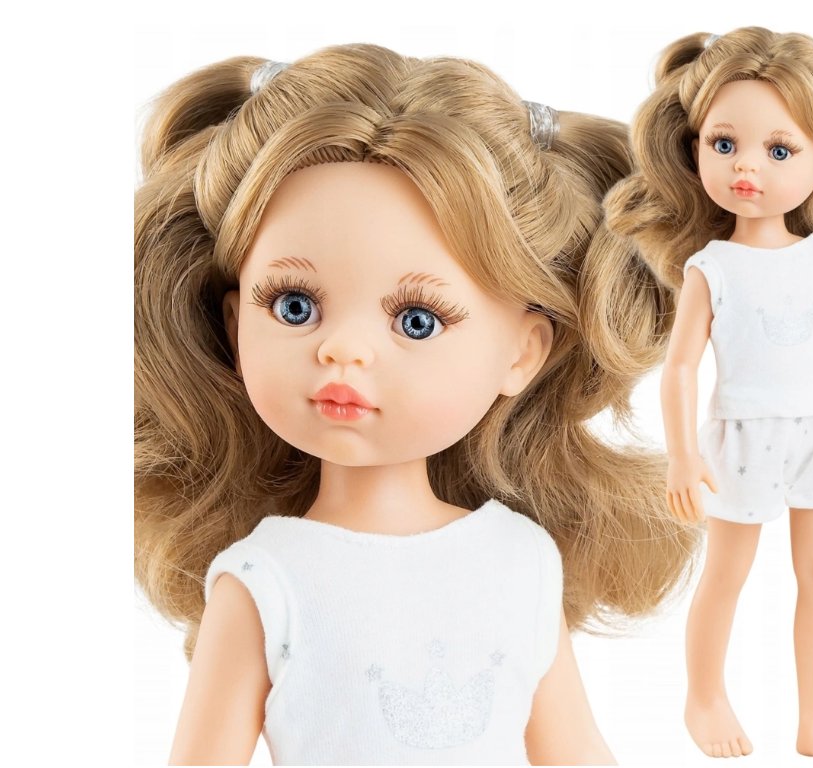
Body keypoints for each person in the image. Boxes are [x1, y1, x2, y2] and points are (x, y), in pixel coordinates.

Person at [135, 44, 698, 765]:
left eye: (417, 320)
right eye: (294, 304)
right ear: (235, 326)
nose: (344, 350)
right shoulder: (264, 580)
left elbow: (577, 750)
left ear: (523, 351)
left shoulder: (520, 560)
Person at [605, 27, 813, 765]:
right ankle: (704, 696)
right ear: (696, 147)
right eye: (724, 144)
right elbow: (679, 369)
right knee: (727, 575)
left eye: (779, 150)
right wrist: (682, 456)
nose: (746, 167)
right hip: (742, 438)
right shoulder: (712, 268)